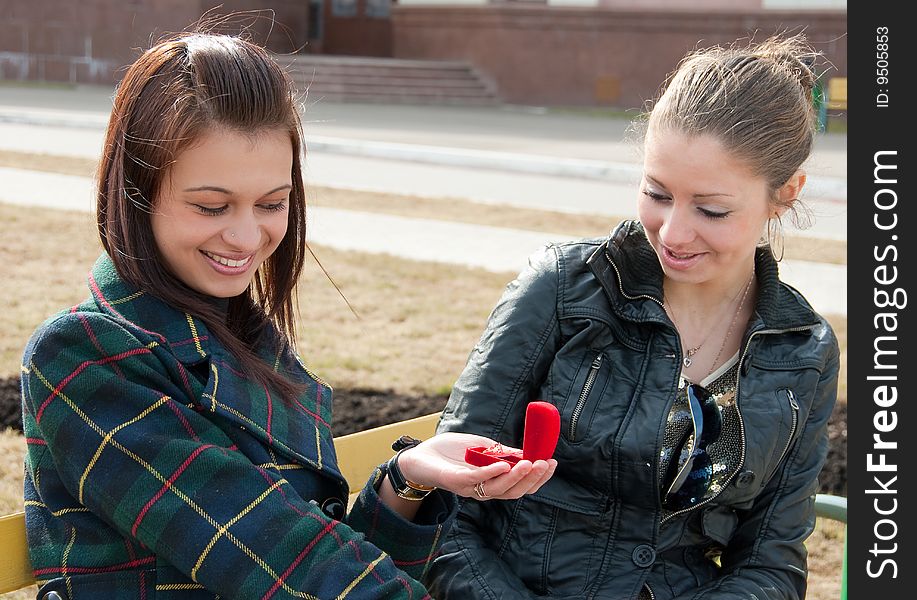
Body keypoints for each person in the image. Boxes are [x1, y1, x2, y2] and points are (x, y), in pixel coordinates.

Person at [19, 30, 556, 599]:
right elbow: (272, 555)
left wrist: (409, 481)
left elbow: (314, 547)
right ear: (136, 191)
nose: (248, 235)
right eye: (211, 206)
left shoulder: (247, 335)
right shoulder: (84, 354)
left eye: (273, 203)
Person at [424, 34, 839, 600]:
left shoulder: (803, 349)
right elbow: (448, 512)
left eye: (711, 209)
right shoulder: (564, 290)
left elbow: (771, 562)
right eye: (657, 193)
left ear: (785, 195)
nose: (672, 232)